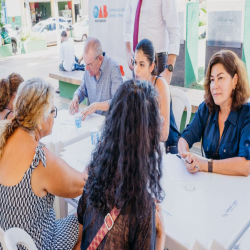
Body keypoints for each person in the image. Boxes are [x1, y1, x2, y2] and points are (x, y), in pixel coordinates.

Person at [77, 79, 165, 249]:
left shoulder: (95, 173)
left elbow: (81, 227)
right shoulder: (142, 206)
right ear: (148, 136)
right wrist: (161, 235)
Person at [0, 78, 86, 250]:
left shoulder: (5, 139)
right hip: (37, 244)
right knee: (87, 218)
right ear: (41, 118)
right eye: (53, 111)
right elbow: (83, 185)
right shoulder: (38, 158)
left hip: (10, 242)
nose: (54, 116)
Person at [178, 50, 250, 176]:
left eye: (220, 78)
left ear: (235, 80)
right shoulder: (206, 108)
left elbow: (245, 165)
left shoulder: (247, 114)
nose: (214, 85)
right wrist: (186, 158)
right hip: (209, 187)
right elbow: (184, 139)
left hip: (237, 191)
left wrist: (204, 164)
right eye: (212, 79)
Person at [134, 39, 180, 153]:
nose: (137, 69)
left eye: (141, 64)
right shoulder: (136, 85)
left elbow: (163, 135)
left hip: (168, 148)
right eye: (135, 63)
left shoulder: (160, 84)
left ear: (151, 66)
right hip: (146, 146)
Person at [123, 0, 180, 84]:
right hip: (137, 61)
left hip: (157, 60)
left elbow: (174, 30)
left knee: (157, 96)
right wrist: (128, 52)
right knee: (138, 96)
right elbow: (127, 23)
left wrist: (169, 69)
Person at [69, 37, 123, 119]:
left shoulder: (113, 68)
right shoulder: (87, 69)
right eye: (85, 64)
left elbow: (118, 101)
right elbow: (82, 90)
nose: (86, 68)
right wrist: (76, 97)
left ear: (100, 59)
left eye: (89, 64)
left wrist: (96, 106)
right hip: (92, 122)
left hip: (110, 123)